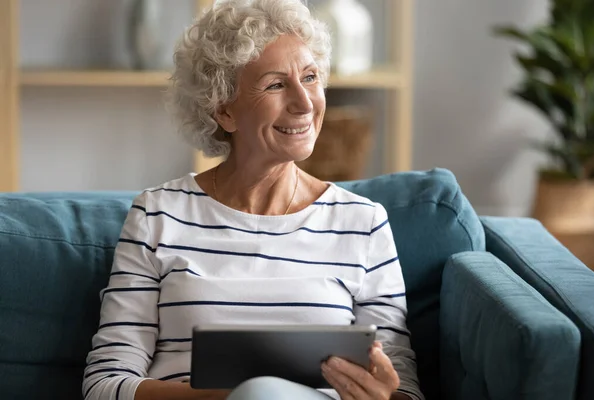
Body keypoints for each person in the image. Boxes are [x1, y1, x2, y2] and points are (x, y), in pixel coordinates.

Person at [82, 0, 424, 399]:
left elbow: (404, 389)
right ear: (224, 110)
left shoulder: (363, 222)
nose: (305, 102)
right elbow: (106, 386)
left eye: (311, 77)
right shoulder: (158, 215)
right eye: (276, 84)